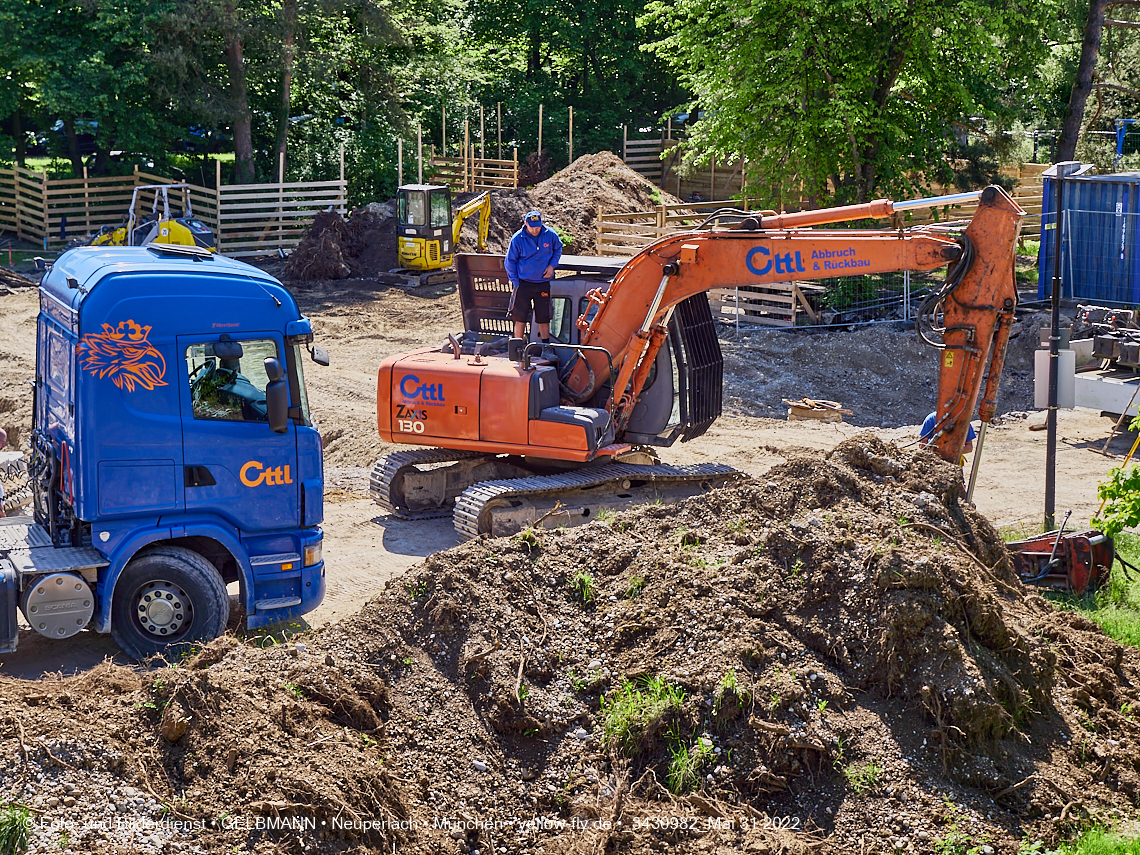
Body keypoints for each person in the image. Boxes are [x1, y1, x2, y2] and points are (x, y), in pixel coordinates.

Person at [505, 210, 563, 352]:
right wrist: (515, 282)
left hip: (542, 283)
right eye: (532, 227)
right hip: (523, 283)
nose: (535, 229)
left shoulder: (550, 235)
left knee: (544, 317)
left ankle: (546, 348)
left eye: (537, 226)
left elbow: (558, 249)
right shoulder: (518, 239)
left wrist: (552, 266)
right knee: (520, 317)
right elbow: (510, 261)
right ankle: (517, 349)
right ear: (526, 224)